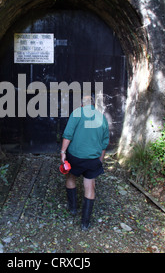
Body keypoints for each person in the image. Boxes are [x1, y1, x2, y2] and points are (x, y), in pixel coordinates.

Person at [60, 95, 109, 231]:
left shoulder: (77, 113)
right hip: (93, 159)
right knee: (90, 186)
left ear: (82, 105)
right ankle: (85, 223)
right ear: (93, 105)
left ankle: (73, 208)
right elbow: (104, 144)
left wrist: (63, 152)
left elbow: (67, 135)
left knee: (70, 177)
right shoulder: (101, 117)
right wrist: (100, 161)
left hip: (75, 157)